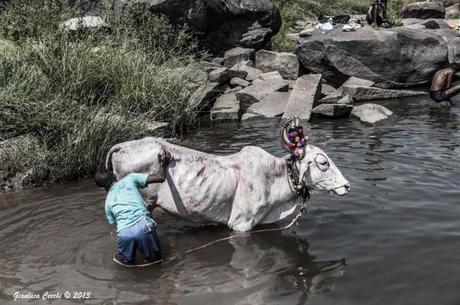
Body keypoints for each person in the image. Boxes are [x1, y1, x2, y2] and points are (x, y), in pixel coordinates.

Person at [95, 151, 171, 267]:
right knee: (155, 262)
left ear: (102, 188)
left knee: (124, 263)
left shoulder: (108, 203)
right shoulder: (130, 179)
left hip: (124, 234)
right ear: (114, 176)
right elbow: (160, 178)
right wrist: (163, 165)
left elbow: (118, 223)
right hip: (144, 226)